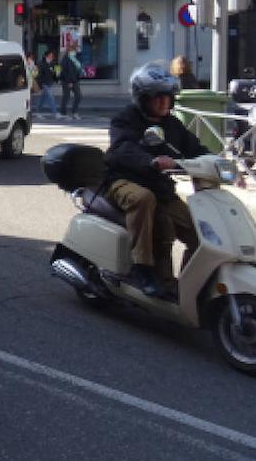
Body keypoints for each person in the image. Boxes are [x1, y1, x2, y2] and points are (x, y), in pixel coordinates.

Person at [101, 63, 204, 301]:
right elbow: (122, 148)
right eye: (157, 98)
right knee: (142, 198)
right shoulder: (124, 119)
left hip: (161, 187)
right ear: (142, 98)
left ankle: (191, 285)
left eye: (167, 98)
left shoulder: (172, 124)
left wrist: (219, 163)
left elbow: (195, 148)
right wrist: (152, 161)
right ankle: (142, 270)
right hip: (123, 181)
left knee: (200, 233)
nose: (163, 103)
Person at [36, 50, 62, 119]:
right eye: (50, 55)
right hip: (44, 83)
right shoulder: (41, 63)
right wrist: (40, 84)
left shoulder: (53, 64)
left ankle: (38, 112)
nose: (51, 57)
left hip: (50, 83)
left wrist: (57, 78)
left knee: (42, 99)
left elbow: (55, 74)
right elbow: (39, 75)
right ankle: (55, 113)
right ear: (46, 56)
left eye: (52, 56)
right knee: (51, 97)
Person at [60, 44, 83, 119]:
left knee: (78, 96)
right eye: (76, 49)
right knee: (66, 96)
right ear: (71, 50)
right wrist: (69, 81)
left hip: (75, 80)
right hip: (67, 81)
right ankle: (63, 112)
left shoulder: (75, 58)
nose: (77, 50)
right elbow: (65, 71)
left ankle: (74, 112)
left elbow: (76, 69)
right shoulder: (66, 58)